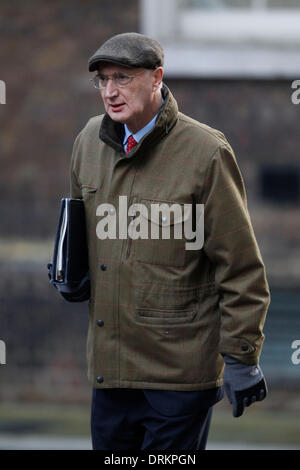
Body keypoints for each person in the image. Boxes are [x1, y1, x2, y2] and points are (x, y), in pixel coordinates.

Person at [69, 32, 270, 450]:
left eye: (122, 78)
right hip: (111, 373)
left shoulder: (206, 152)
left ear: (156, 77)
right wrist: (71, 271)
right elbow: (77, 230)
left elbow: (240, 266)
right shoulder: (89, 141)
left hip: (179, 378)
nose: (110, 91)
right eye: (102, 80)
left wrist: (242, 356)